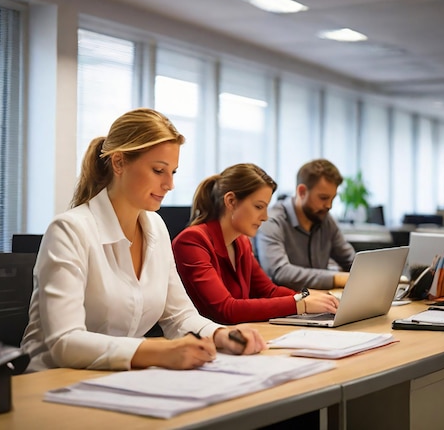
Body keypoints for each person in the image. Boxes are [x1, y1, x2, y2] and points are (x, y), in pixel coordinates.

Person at [21, 108, 266, 372]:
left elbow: (178, 315)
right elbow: (65, 342)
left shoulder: (155, 228)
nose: (169, 184)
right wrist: (157, 350)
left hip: (120, 380)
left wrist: (219, 335)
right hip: (51, 382)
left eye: (173, 172)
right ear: (119, 163)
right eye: (159, 170)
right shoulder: (69, 230)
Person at [171, 163, 339, 325]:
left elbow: (268, 291)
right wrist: (300, 304)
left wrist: (306, 296)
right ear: (231, 201)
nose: (265, 217)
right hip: (201, 345)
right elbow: (226, 309)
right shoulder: (192, 241)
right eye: (259, 206)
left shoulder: (241, 243)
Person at [254, 159, 355, 291]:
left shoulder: (325, 219)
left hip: (321, 302)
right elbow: (280, 272)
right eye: (323, 198)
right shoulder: (272, 221)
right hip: (288, 305)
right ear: (301, 192)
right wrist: (336, 278)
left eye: (332, 198)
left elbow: (351, 260)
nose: (329, 206)